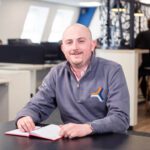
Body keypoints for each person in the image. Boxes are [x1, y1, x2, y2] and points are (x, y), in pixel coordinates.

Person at [16, 23, 129, 139]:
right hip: (71, 140)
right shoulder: (56, 73)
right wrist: (25, 117)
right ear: (63, 48)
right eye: (69, 42)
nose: (75, 47)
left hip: (107, 142)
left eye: (81, 41)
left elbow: (121, 118)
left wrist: (88, 127)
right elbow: (37, 105)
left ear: (92, 45)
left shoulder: (112, 70)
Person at [135, 19, 150, 105]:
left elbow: (136, 46)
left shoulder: (143, 35)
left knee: (138, 74)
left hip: (146, 66)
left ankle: (147, 97)